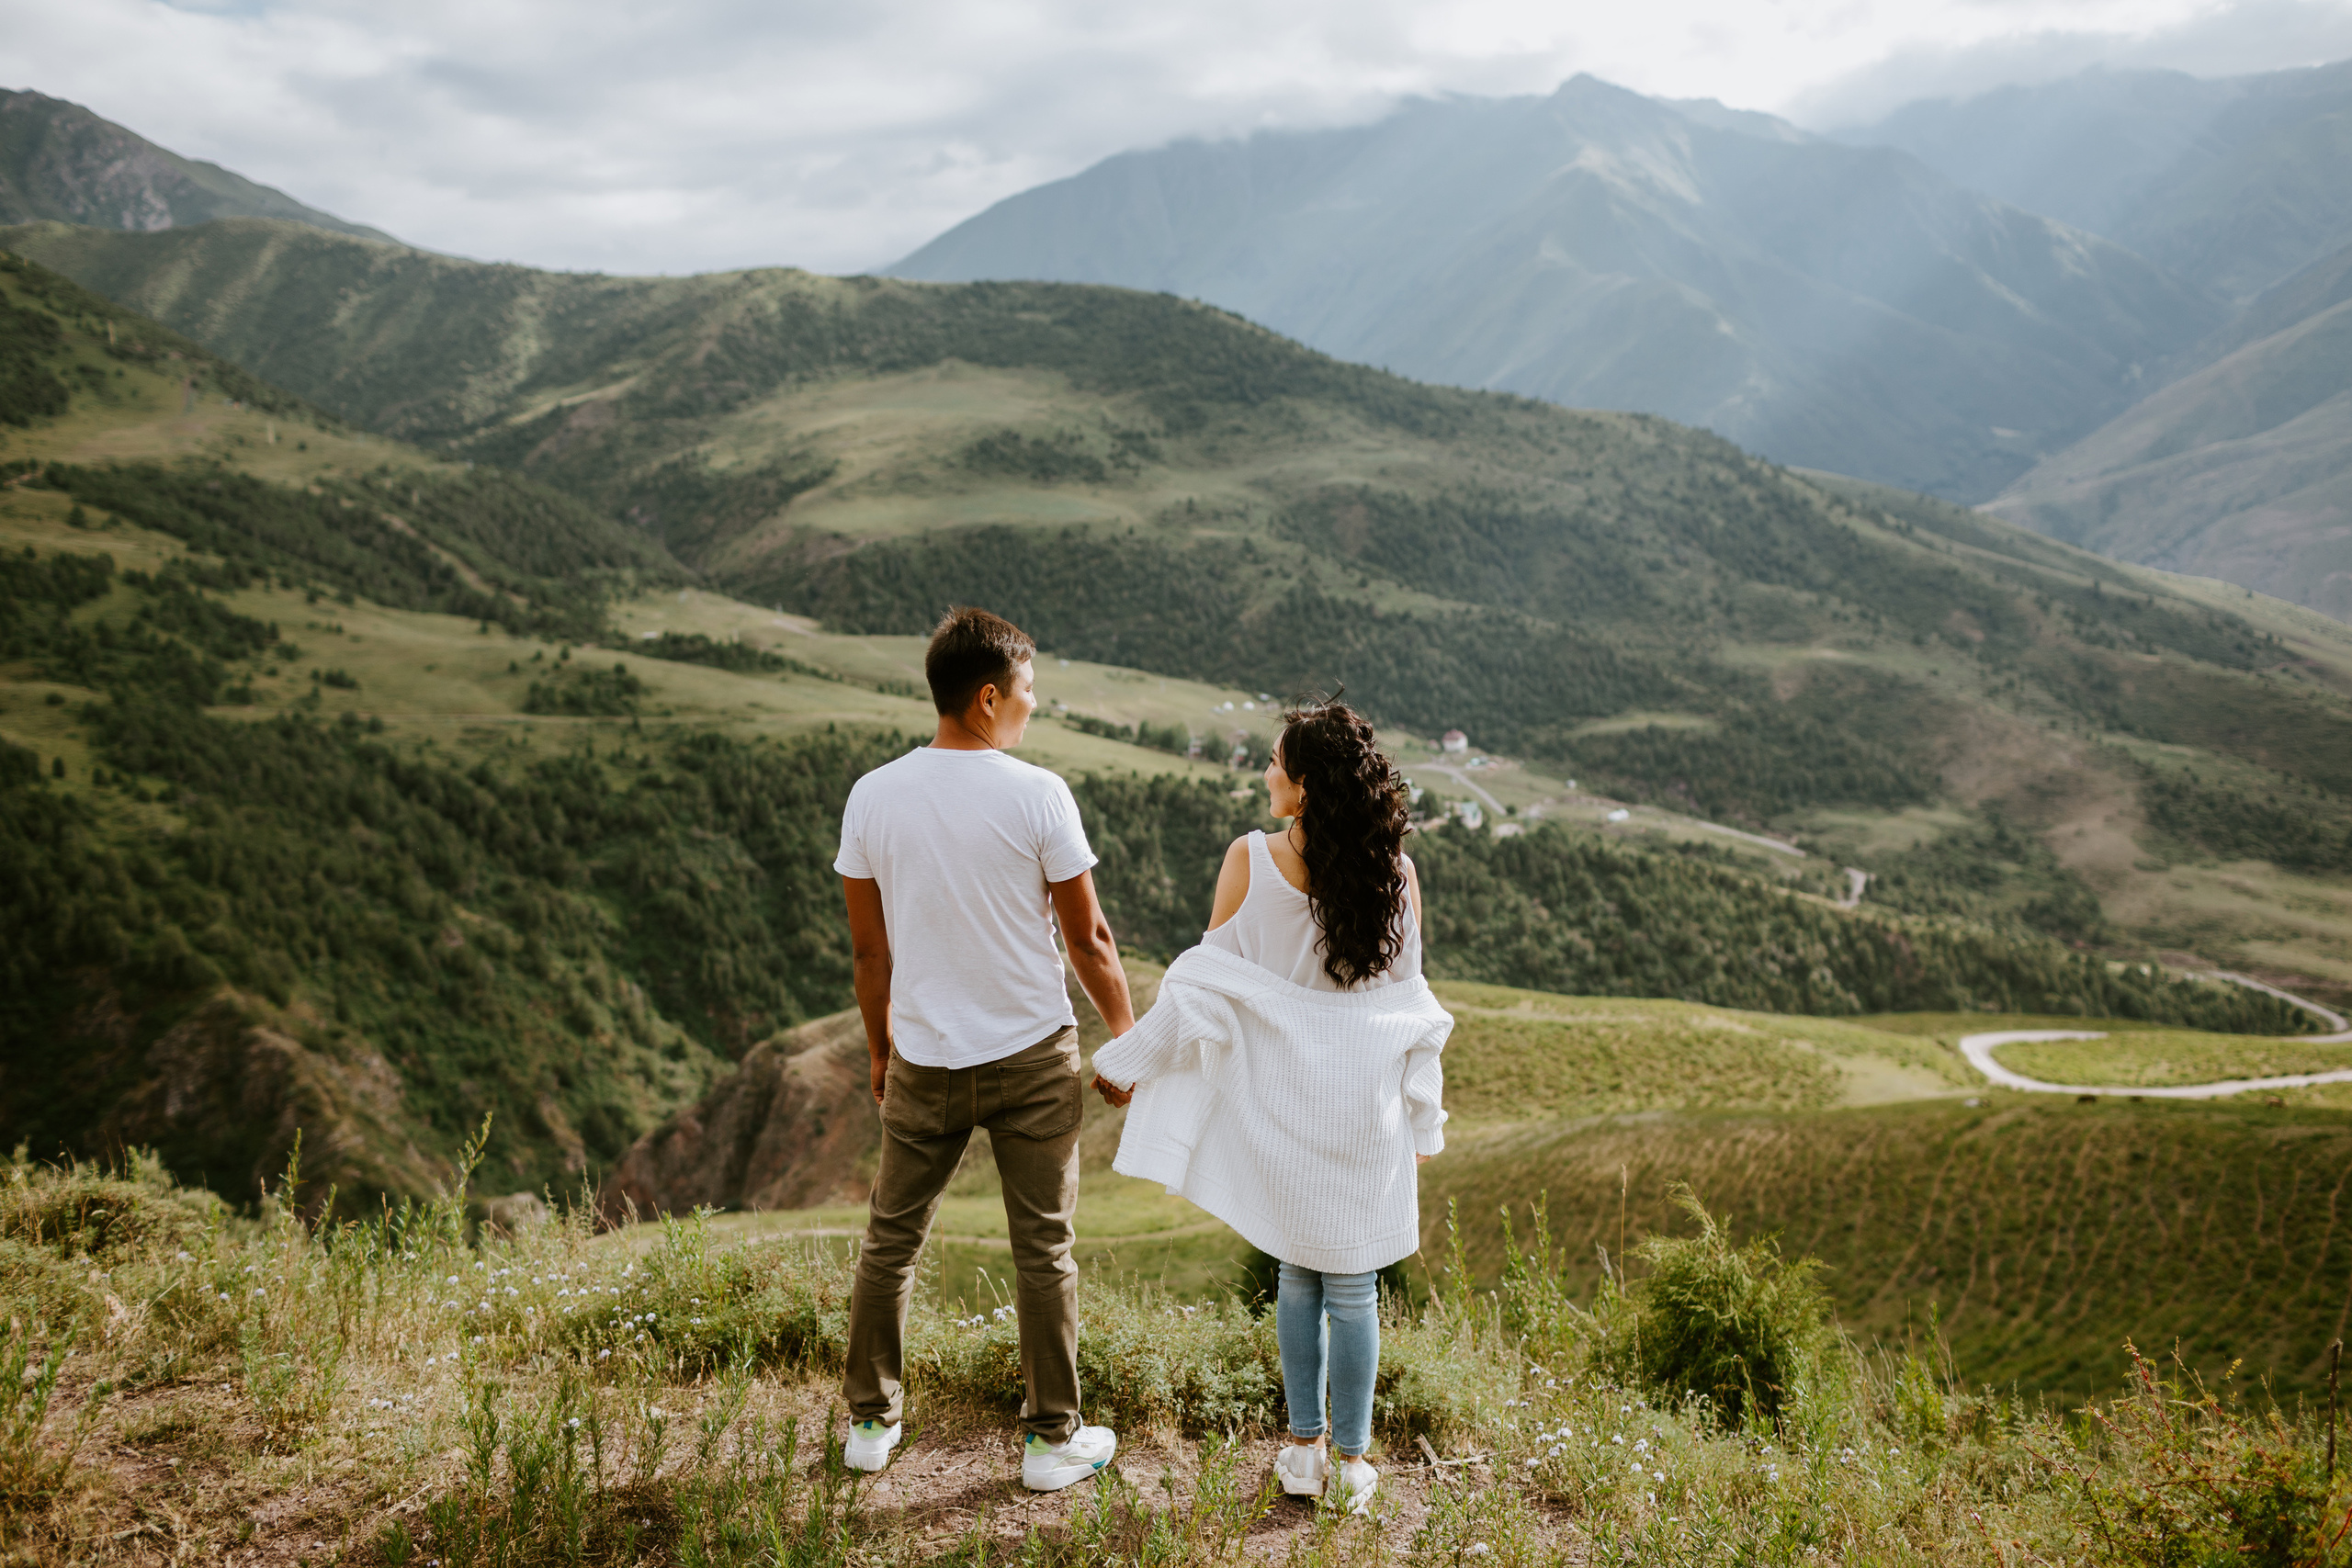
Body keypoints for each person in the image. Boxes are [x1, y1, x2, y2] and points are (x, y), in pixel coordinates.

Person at [1091, 695, 1451, 1514]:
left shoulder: (1249, 859)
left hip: (1283, 1106)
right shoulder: (1395, 872)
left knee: (1297, 1273)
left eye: (1276, 763)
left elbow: (1205, 991)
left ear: (1305, 788)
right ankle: (1354, 1464)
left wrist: (1130, 1060)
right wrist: (1422, 1116)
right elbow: (1415, 1011)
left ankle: (1301, 1449)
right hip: (1365, 1109)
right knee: (1353, 1286)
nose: (1265, 773)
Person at [834, 606, 1136, 1492]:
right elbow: (1091, 942)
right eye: (1030, 691)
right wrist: (1128, 1039)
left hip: (926, 1056)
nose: (1035, 707)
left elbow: (868, 951)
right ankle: (1050, 1442)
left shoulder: (872, 795)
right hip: (1034, 1056)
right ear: (989, 696)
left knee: (892, 1241)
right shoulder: (1039, 793)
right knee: (1043, 1248)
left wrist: (882, 1052)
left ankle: (868, 1423)